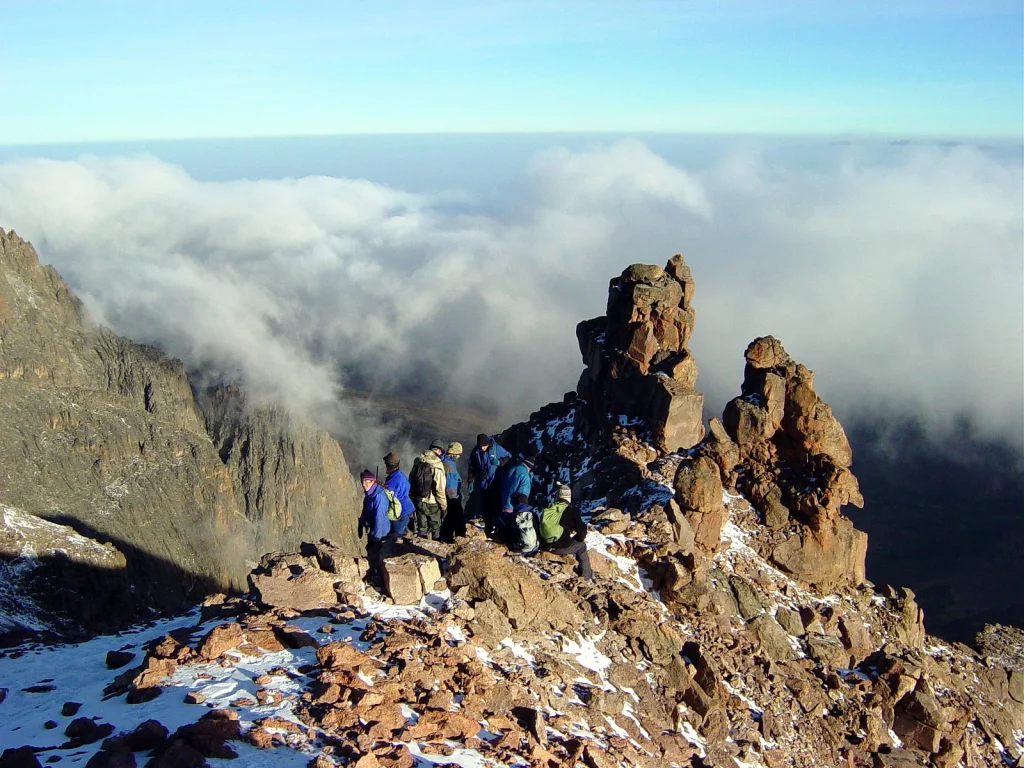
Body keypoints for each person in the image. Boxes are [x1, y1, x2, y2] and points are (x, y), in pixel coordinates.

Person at [538, 483, 593, 579]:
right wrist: (576, 538)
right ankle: (586, 577)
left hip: (545, 545)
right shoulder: (571, 510)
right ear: (569, 497)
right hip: (560, 547)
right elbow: (582, 534)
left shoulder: (550, 508)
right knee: (581, 546)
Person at [467, 433, 511, 537]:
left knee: (495, 506)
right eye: (480, 445)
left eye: (484, 446)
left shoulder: (496, 449)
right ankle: (488, 528)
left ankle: (497, 528)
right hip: (483, 483)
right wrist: (471, 481)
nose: (482, 448)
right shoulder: (476, 451)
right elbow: (472, 466)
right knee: (486, 507)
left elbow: (509, 458)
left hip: (495, 482)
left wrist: (499, 462)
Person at [409, 439, 448, 540]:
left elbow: (411, 478)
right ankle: (433, 552)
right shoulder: (438, 465)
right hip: (433, 503)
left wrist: (413, 497)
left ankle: (419, 550)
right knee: (435, 530)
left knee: (422, 529)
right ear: (439, 451)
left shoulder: (418, 460)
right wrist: (444, 507)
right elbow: (440, 489)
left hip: (419, 500)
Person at [497, 450, 536, 545]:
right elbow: (522, 495)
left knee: (502, 529)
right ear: (530, 467)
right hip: (512, 507)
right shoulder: (525, 476)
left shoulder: (512, 469)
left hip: (503, 503)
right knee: (511, 533)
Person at [357, 469, 391, 573]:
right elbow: (365, 509)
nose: (364, 484)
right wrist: (361, 523)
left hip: (381, 531)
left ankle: (377, 574)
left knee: (377, 554)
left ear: (373, 481)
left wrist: (376, 536)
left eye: (367, 482)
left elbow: (379, 517)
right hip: (375, 529)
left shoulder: (378, 496)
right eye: (362, 481)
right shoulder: (370, 493)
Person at [382, 451, 414, 541]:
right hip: (407, 509)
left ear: (388, 465)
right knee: (401, 533)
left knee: (397, 537)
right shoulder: (400, 476)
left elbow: (390, 497)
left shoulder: (392, 481)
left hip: (400, 512)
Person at [439, 441, 467, 542]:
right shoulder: (449, 465)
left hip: (448, 496)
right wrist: (455, 498)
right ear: (454, 454)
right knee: (457, 518)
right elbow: (451, 484)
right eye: (459, 454)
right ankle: (459, 540)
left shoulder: (445, 461)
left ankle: (446, 537)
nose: (459, 456)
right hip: (452, 497)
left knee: (449, 518)